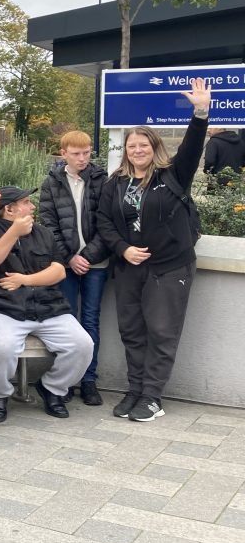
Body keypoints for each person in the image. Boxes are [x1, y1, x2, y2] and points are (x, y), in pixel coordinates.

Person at [96, 78, 211, 422]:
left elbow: (191, 148)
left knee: (161, 331)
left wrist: (200, 112)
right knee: (132, 331)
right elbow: (104, 222)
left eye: (144, 145)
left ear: (154, 147)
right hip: (130, 267)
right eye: (132, 146)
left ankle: (152, 397)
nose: (138, 150)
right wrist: (122, 249)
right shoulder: (115, 183)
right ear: (126, 150)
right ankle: (135, 390)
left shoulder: (173, 175)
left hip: (169, 267)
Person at [0, 186, 94, 424]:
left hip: (47, 307)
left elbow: (58, 271)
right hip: (2, 308)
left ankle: (52, 388)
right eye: (27, 202)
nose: (32, 207)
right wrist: (14, 233)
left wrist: (24, 280)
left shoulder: (43, 233)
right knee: (3, 347)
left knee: (83, 345)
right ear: (9, 209)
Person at [38, 131, 110, 406]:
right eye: (76, 153)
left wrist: (88, 256)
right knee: (67, 322)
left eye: (87, 152)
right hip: (64, 265)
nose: (82, 158)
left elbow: (107, 223)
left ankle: (89, 380)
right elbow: (48, 225)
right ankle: (64, 381)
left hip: (96, 263)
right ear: (63, 153)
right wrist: (69, 258)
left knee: (90, 319)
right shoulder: (51, 183)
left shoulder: (102, 181)